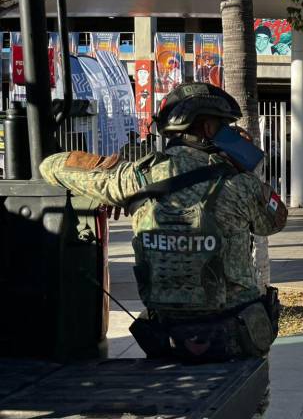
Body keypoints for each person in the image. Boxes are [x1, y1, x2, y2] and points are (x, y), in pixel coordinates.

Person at [39, 83, 287, 415]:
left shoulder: (134, 179)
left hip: (168, 336)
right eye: (225, 126)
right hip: (234, 337)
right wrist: (246, 171)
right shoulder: (240, 185)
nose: (230, 133)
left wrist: (105, 171)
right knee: (249, 406)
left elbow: (51, 166)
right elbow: (275, 220)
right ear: (207, 127)